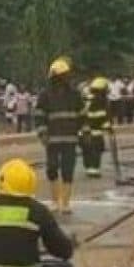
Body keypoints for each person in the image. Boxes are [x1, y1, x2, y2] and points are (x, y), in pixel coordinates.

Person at [36, 58, 83, 214]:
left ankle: (65, 203)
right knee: (52, 168)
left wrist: (85, 132)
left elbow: (82, 115)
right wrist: (43, 133)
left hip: (70, 138)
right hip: (52, 139)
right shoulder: (45, 95)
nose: (64, 79)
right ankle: (55, 201)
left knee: (68, 170)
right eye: (62, 76)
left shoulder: (75, 95)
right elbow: (39, 116)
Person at [80, 76, 111, 178]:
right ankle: (94, 171)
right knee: (96, 151)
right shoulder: (100, 100)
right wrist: (108, 126)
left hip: (83, 132)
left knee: (87, 151)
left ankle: (89, 169)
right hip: (95, 132)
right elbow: (100, 116)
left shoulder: (86, 98)